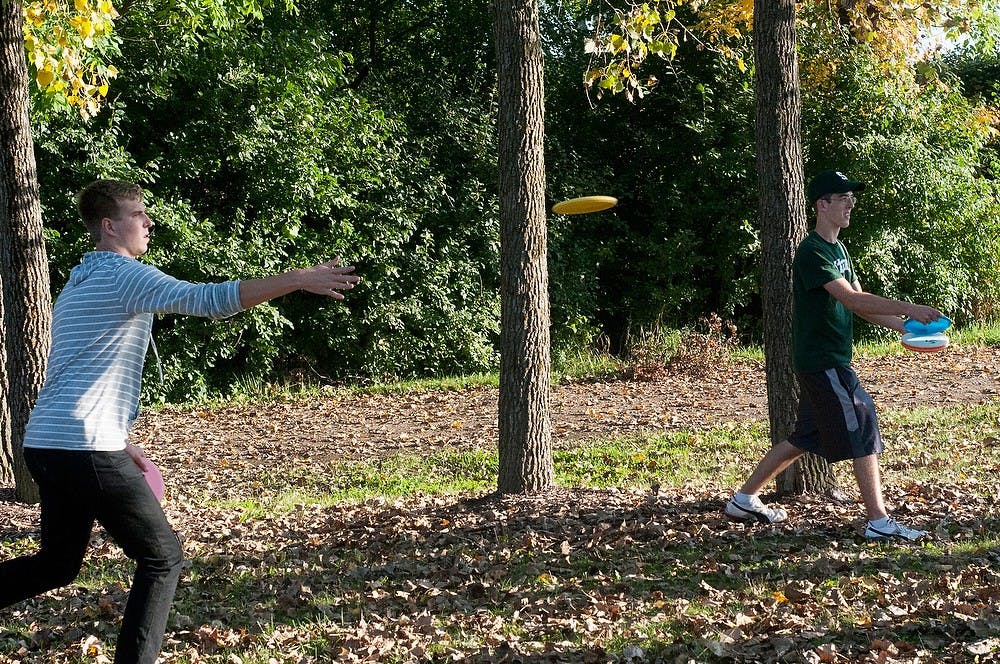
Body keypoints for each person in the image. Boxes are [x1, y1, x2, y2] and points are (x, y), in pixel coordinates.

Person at [0, 180, 361, 663]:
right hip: (82, 445)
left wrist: (120, 437)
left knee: (57, 565)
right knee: (162, 557)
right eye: (138, 214)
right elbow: (209, 301)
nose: (148, 222)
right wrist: (296, 278)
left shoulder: (80, 281)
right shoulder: (121, 275)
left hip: (49, 443)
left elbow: (76, 368)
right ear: (109, 227)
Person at [724, 169, 943, 542]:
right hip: (823, 360)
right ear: (821, 205)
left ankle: (743, 499)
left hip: (827, 359)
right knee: (863, 421)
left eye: (851, 198)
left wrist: (905, 327)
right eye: (843, 198)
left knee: (804, 436)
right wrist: (911, 307)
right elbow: (851, 298)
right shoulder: (812, 252)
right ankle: (878, 522)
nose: (850, 204)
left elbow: (860, 304)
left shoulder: (838, 249)